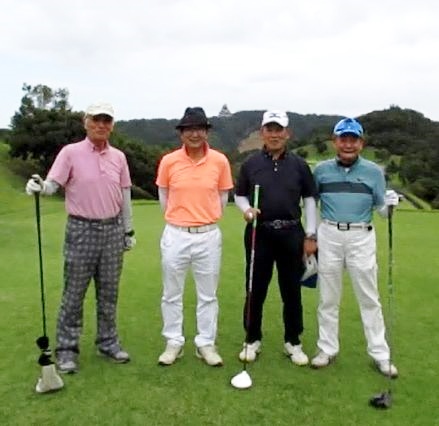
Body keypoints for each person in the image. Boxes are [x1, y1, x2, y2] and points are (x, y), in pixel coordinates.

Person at [25, 101, 136, 374]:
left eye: (106, 120)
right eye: (96, 119)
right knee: (74, 294)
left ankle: (108, 343)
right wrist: (40, 186)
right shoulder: (70, 152)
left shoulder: (119, 157)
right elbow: (53, 185)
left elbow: (124, 195)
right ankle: (66, 350)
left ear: (112, 125)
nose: (101, 125)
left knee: (109, 293)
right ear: (85, 122)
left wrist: (128, 230)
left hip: (112, 230)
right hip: (81, 229)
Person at [311, 117, 400, 378]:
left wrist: (390, 205)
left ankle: (380, 354)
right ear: (335, 141)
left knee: (369, 297)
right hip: (329, 234)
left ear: (361, 143)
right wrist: (311, 235)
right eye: (343, 139)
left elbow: (381, 211)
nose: (348, 144)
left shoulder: (374, 172)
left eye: (353, 139)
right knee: (328, 298)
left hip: (361, 236)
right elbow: (312, 204)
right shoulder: (321, 171)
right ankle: (327, 348)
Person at [234, 110, 318, 365]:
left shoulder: (299, 165)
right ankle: (252, 338)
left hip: (292, 232)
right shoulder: (250, 164)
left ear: (287, 133)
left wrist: (311, 234)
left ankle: (293, 340)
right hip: (259, 231)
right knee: (255, 287)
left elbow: (309, 199)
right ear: (262, 133)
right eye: (269, 129)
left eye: (278, 129)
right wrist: (246, 210)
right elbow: (240, 195)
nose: (274, 134)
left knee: (291, 289)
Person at [155, 107, 233, 367]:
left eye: (199, 128)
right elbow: (164, 196)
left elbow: (222, 197)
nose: (194, 134)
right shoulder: (169, 161)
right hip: (176, 234)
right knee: (171, 293)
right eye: (189, 129)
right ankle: (173, 341)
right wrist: (179, 219)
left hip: (208, 235)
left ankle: (205, 343)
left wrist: (205, 219)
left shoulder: (220, 161)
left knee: (208, 295)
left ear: (207, 132)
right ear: (181, 133)